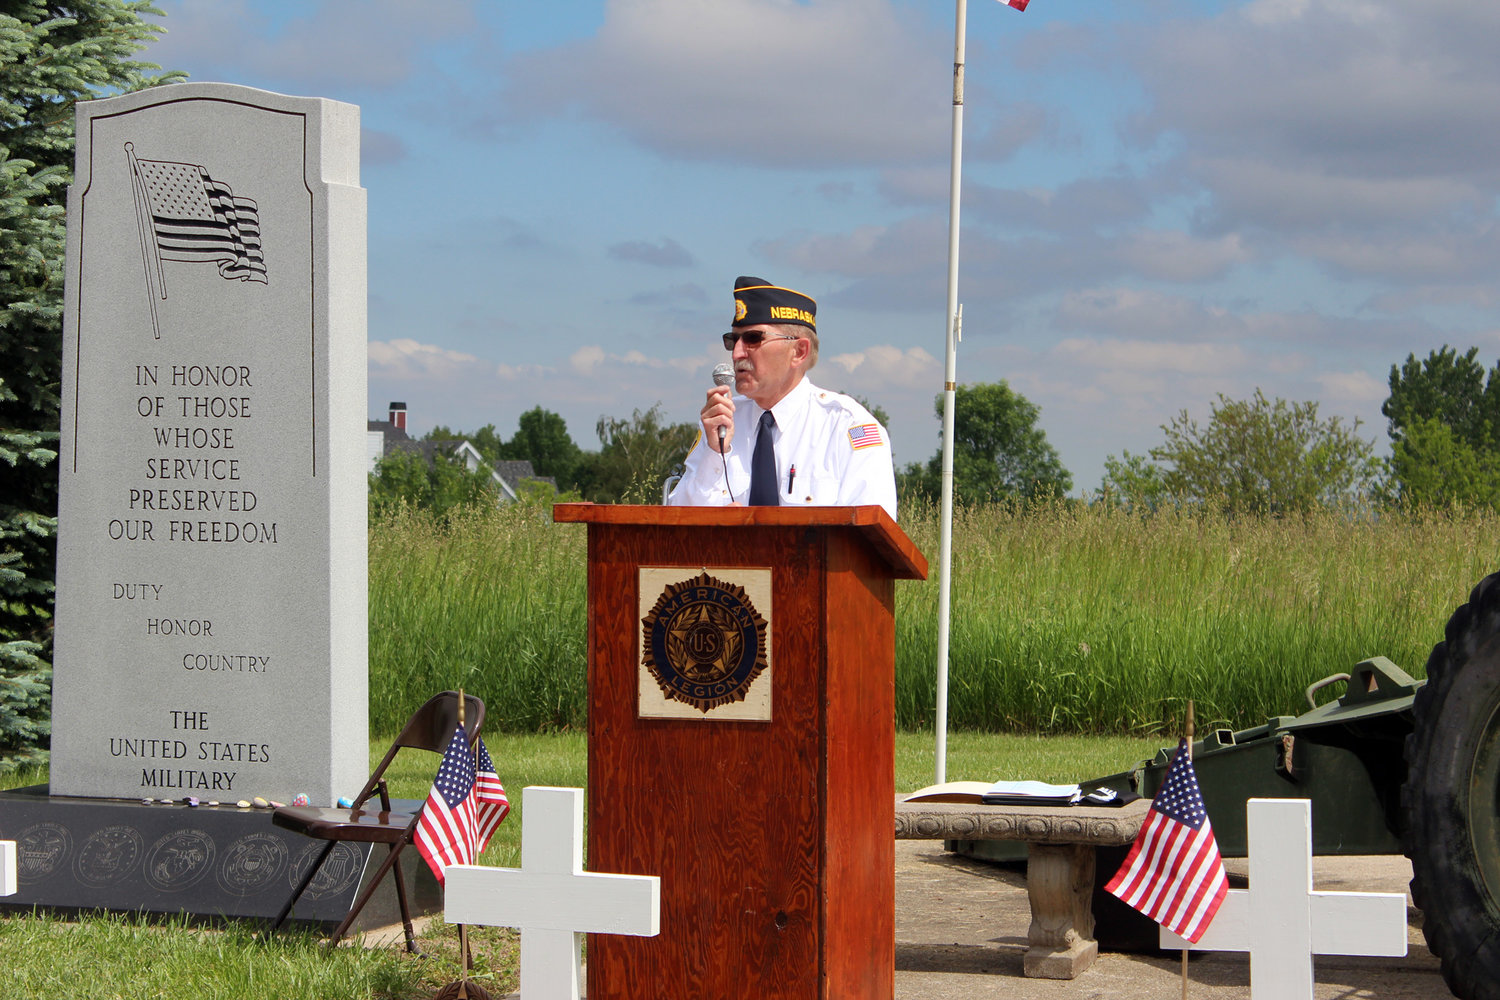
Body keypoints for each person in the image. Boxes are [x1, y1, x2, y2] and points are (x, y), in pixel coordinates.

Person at [666, 276, 898, 519]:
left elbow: (869, 538)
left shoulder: (846, 427)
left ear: (799, 351)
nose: (736, 353)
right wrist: (714, 453)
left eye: (753, 338)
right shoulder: (721, 423)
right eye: (733, 340)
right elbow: (675, 526)